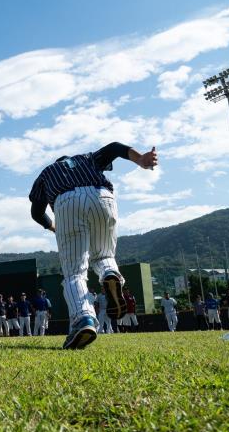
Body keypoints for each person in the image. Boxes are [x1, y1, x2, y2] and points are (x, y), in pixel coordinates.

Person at [29, 142, 158, 349]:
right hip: (102, 196)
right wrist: (141, 160)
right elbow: (115, 147)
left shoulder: (48, 172)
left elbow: (36, 212)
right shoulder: (86, 159)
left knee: (75, 273)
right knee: (104, 256)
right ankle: (109, 274)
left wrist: (53, 226)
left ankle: (84, 319)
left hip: (66, 201)